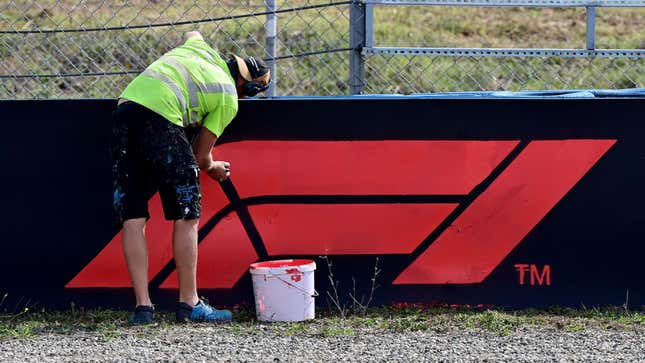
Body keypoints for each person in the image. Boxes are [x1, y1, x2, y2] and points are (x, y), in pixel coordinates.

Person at [111, 31, 271, 325]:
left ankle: (143, 307)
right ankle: (189, 303)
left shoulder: (199, 47)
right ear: (246, 87)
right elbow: (200, 156)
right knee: (186, 214)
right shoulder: (228, 98)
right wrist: (214, 168)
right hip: (162, 120)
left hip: (126, 109)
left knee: (133, 217)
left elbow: (191, 31)